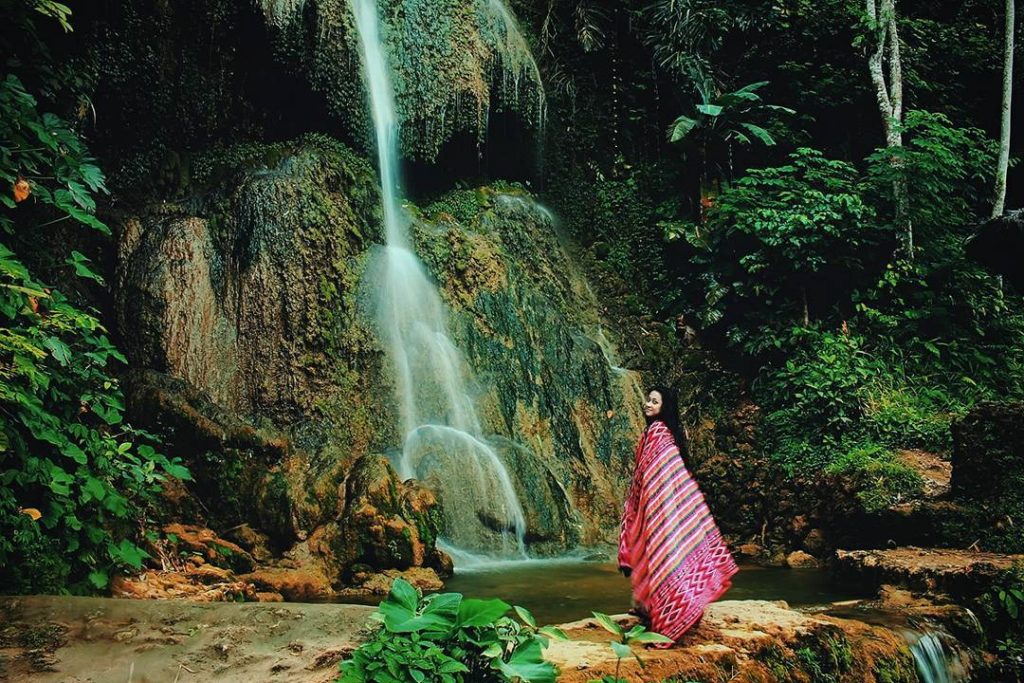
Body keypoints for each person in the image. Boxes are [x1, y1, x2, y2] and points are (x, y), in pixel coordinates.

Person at [618, 386, 738, 645]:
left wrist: (655, 507)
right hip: (658, 507)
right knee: (654, 555)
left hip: (660, 508)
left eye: (654, 401)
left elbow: (661, 475)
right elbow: (648, 473)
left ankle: (667, 615)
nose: (647, 404)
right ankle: (649, 608)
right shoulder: (658, 433)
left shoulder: (659, 433)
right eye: (648, 400)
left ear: (664, 407)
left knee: (660, 555)